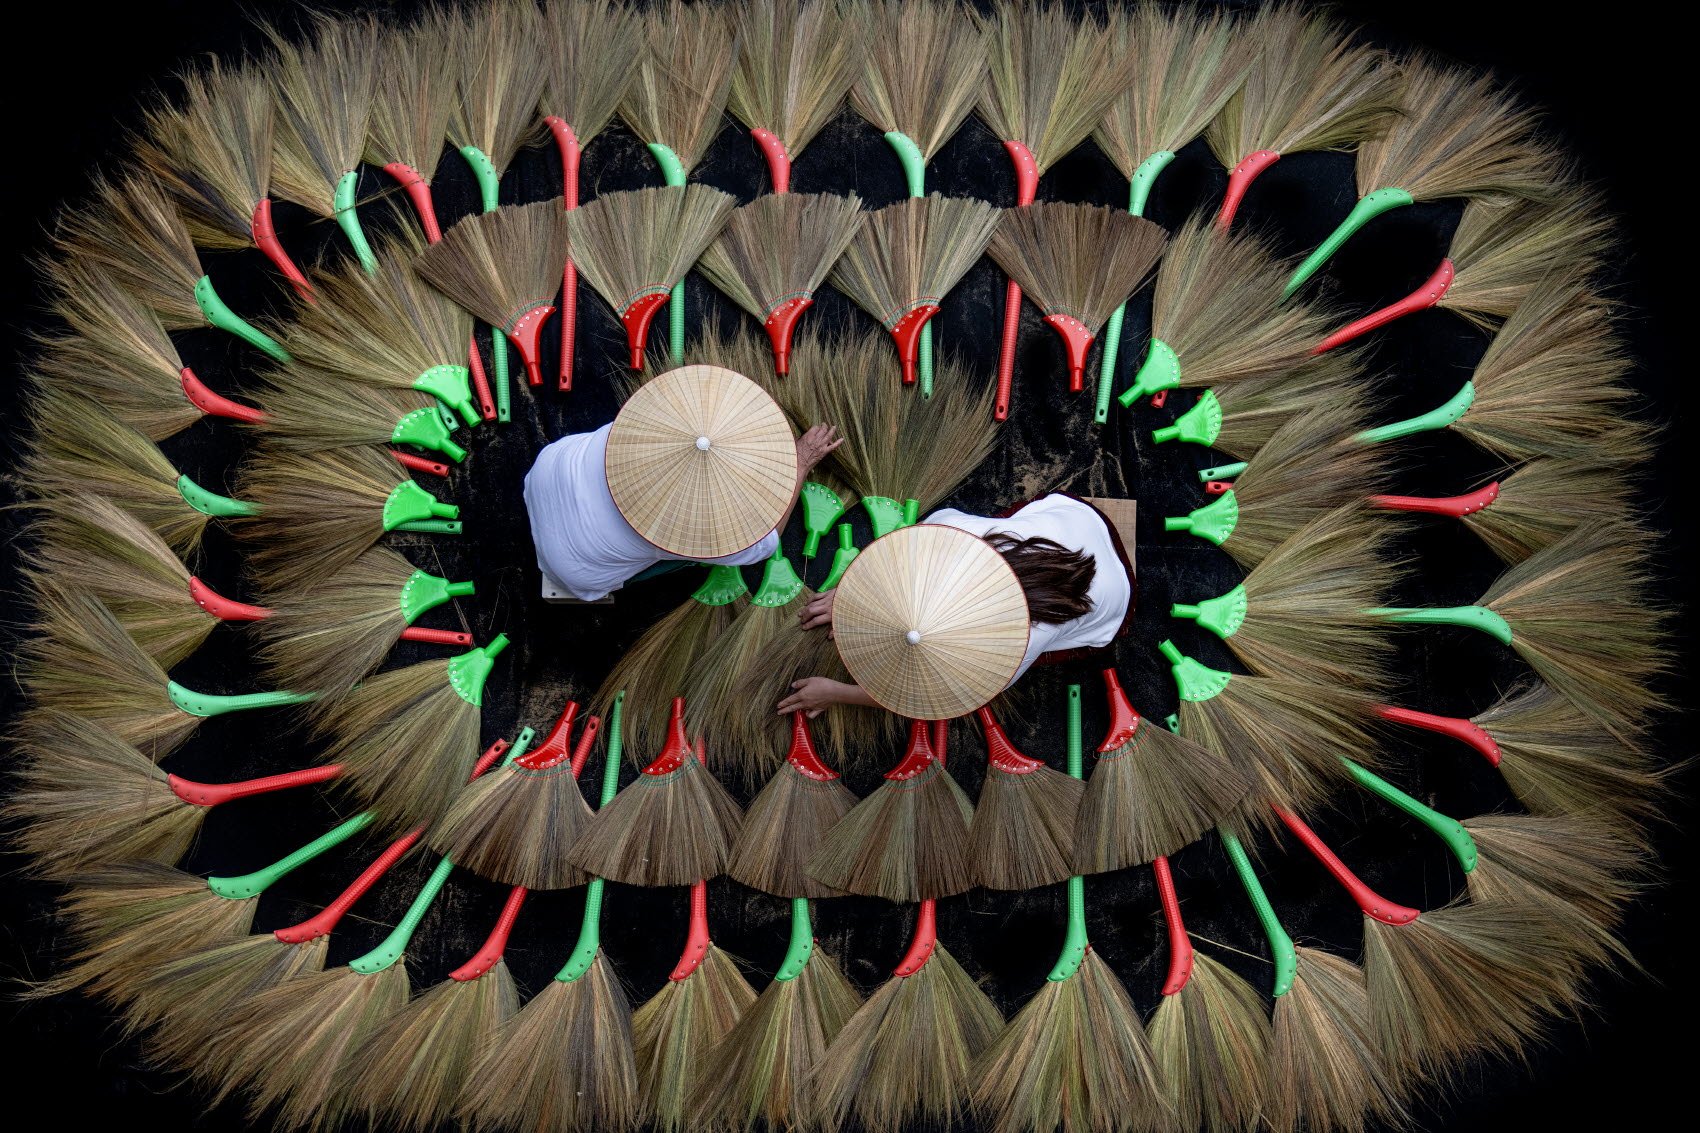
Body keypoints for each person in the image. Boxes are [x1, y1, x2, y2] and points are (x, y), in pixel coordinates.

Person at [777, 492, 1134, 716]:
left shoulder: (1017, 647)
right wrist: (851, 595)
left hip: (1116, 598)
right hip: (1080, 520)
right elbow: (900, 558)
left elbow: (927, 696)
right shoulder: (955, 533)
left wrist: (836, 693)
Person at [524, 368, 841, 602]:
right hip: (574, 570)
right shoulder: (688, 531)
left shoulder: (653, 414)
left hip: (546, 471)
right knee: (682, 558)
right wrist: (801, 463)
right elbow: (765, 544)